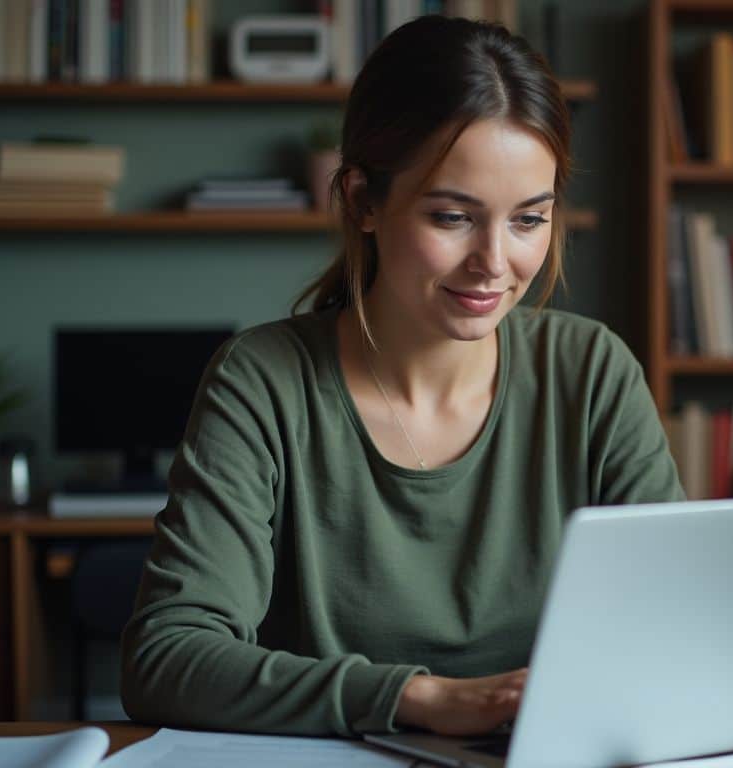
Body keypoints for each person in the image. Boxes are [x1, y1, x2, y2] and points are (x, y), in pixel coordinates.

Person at [120, 16, 684, 740]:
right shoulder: (264, 383)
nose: (494, 262)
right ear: (362, 201)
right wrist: (422, 699)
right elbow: (166, 659)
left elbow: (679, 621)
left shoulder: (593, 372)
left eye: (528, 220)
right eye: (452, 217)